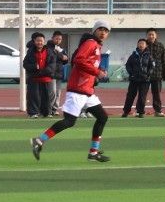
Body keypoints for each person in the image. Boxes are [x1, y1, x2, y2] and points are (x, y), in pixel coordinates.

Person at [31, 21, 112, 163]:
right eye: (100, 29)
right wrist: (97, 72)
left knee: (102, 117)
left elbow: (87, 64)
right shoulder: (91, 43)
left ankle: (93, 152)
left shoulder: (96, 45)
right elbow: (78, 60)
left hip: (86, 90)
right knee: (69, 121)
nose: (103, 32)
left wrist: (97, 73)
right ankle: (39, 140)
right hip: (78, 90)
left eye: (106, 30)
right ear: (94, 31)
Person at [22, 32, 57, 118]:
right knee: (33, 97)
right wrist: (34, 67)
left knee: (47, 97)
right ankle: (33, 113)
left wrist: (44, 71)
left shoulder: (49, 51)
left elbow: (52, 64)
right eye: (38, 41)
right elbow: (25, 64)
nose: (39, 42)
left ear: (44, 41)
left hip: (46, 78)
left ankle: (47, 113)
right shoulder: (30, 52)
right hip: (34, 78)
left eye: (41, 41)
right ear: (34, 41)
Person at [123, 38, 154, 118]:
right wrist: (131, 73)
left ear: (146, 45)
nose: (141, 45)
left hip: (145, 80)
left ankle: (140, 112)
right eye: (139, 43)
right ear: (137, 45)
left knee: (142, 96)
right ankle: (126, 111)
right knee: (130, 96)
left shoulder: (149, 55)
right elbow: (128, 65)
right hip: (134, 79)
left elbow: (152, 66)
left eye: (143, 43)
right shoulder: (133, 55)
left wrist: (148, 74)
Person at [144, 28, 165, 117]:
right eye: (149, 34)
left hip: (157, 74)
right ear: (147, 35)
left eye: (152, 34)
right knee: (143, 94)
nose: (151, 36)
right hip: (145, 74)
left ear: (156, 35)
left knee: (157, 94)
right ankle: (140, 111)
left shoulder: (160, 46)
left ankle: (158, 111)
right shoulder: (143, 45)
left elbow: (164, 60)